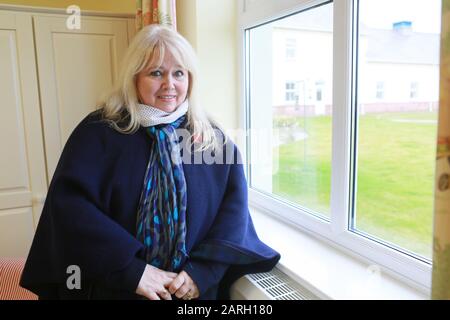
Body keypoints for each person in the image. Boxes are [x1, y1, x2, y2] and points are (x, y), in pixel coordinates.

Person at [20, 24, 280, 300]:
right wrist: (132, 271)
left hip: (190, 292)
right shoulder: (99, 131)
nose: (170, 84)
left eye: (179, 73)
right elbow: (70, 209)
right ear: (134, 78)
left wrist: (202, 273)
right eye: (156, 72)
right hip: (116, 287)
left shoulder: (211, 137)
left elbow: (233, 213)